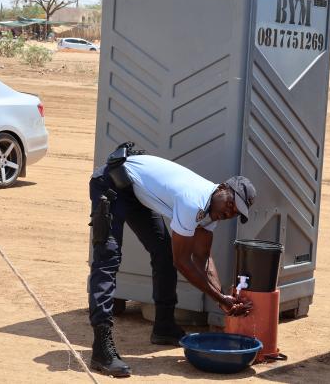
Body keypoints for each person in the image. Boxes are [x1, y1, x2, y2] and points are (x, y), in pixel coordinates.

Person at [88, 142, 256, 377]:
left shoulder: (211, 214)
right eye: (230, 203)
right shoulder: (194, 200)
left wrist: (221, 298)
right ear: (222, 188)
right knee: (108, 259)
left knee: (163, 253)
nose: (229, 212)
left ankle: (164, 327)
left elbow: (203, 258)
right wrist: (221, 297)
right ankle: (101, 348)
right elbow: (184, 262)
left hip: (136, 193)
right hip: (111, 182)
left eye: (235, 212)